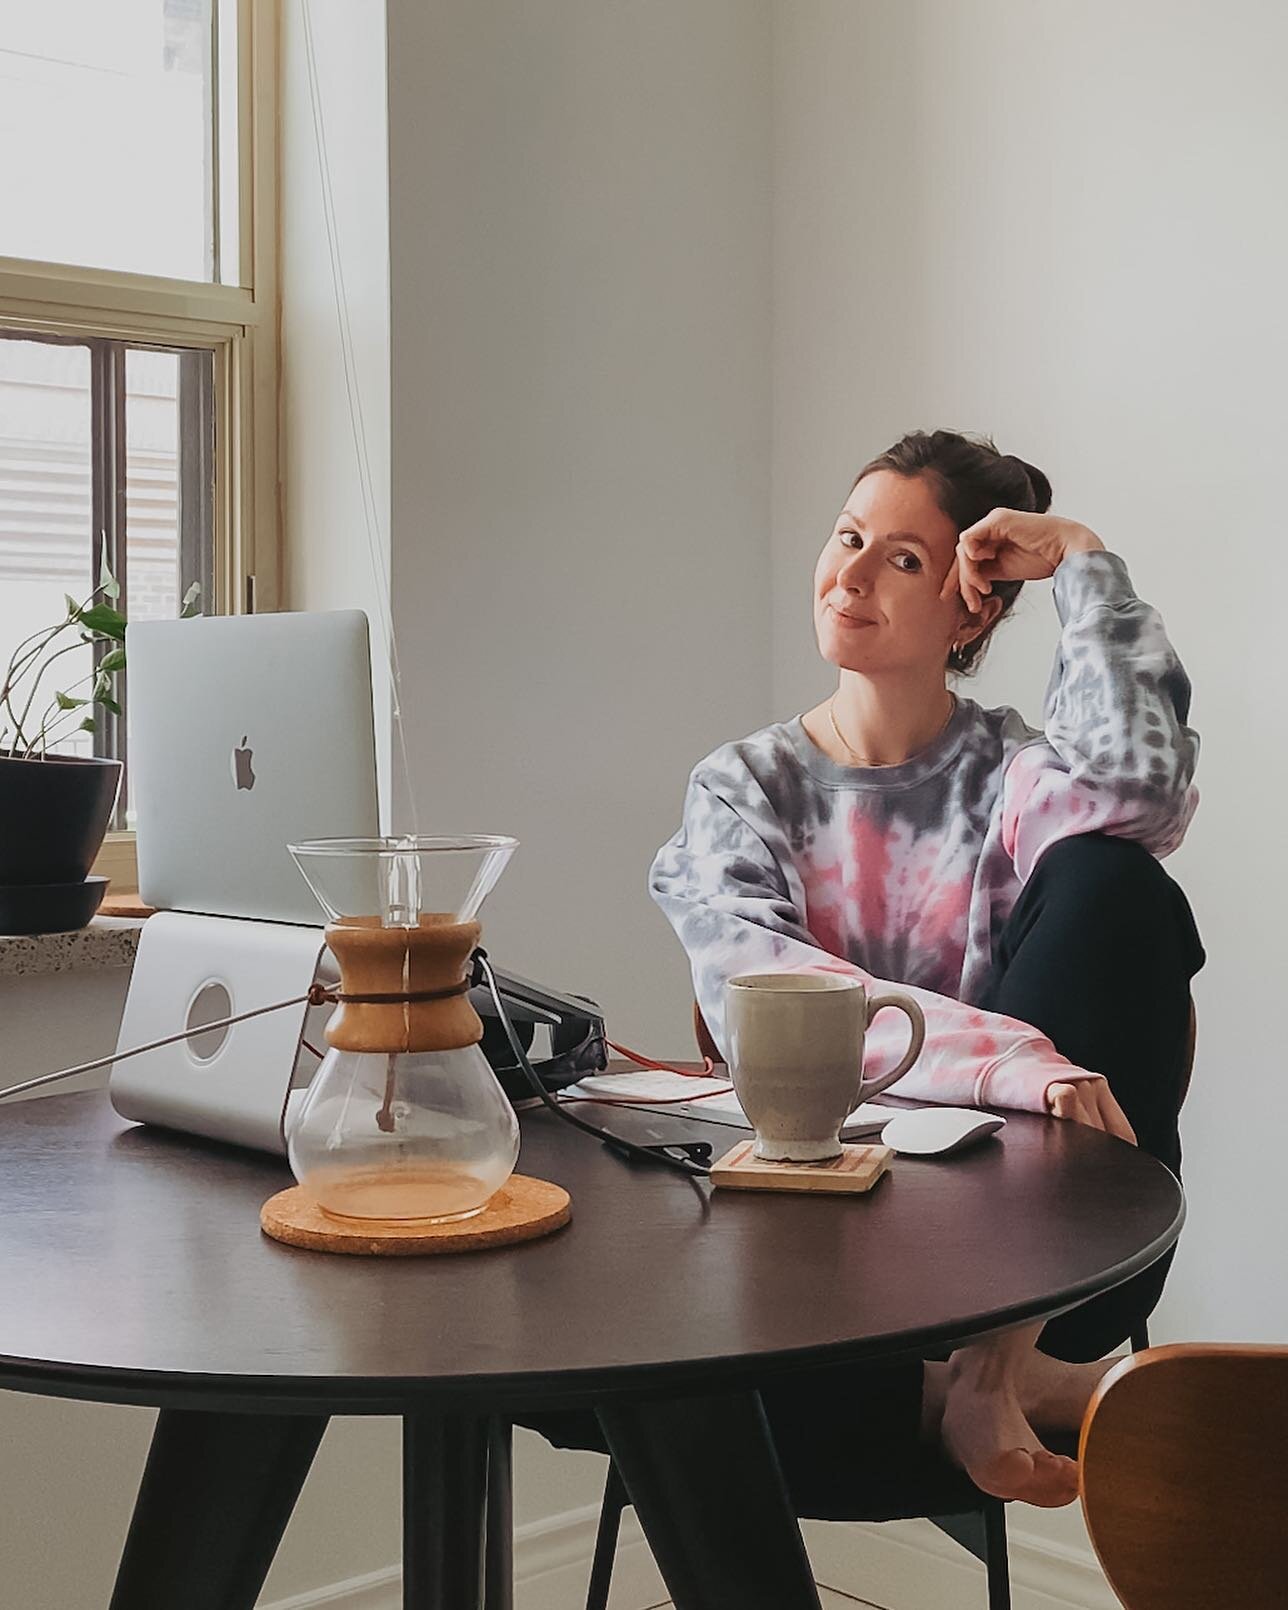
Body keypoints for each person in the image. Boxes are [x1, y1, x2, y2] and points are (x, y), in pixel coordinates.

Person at [640, 429, 1205, 1507]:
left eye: (900, 559)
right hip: (823, 1238)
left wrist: (1083, 561)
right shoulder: (743, 789)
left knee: (1112, 881)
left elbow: (1142, 793)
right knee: (657, 1383)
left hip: (1033, 1241)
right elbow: (759, 996)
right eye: (847, 537)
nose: (848, 574)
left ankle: (996, 1364)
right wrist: (1012, 1059)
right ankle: (1025, 1388)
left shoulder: (1014, 775)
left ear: (970, 607)